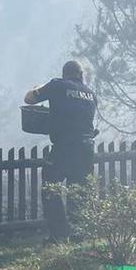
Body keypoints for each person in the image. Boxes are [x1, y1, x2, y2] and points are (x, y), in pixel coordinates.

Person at [24, 59, 98, 242]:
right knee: (79, 190)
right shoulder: (91, 94)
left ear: (65, 74)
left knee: (51, 187)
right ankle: (78, 234)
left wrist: (39, 87)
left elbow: (29, 99)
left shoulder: (57, 85)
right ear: (81, 75)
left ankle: (58, 235)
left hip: (65, 146)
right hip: (86, 149)